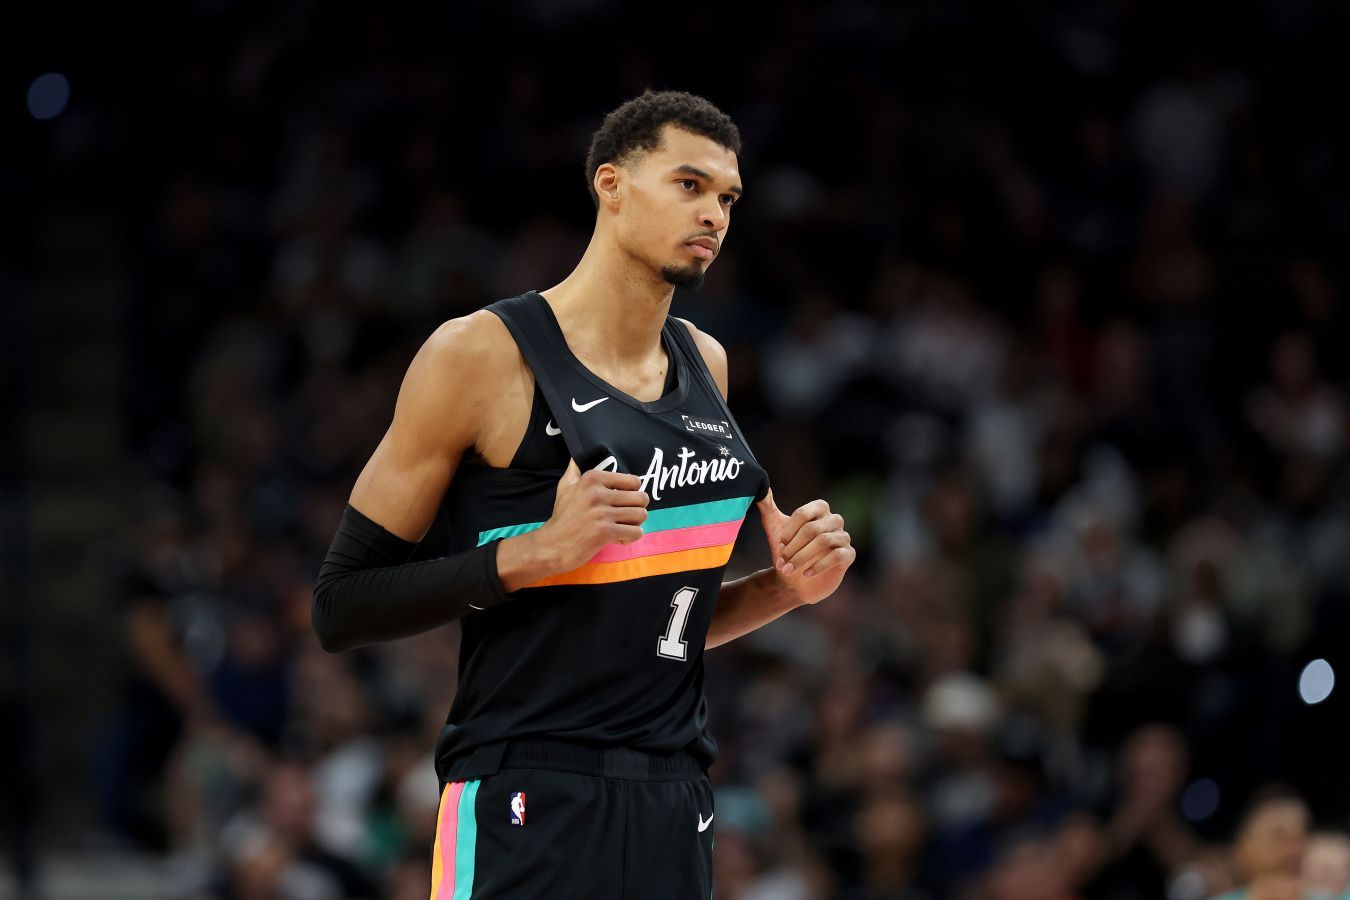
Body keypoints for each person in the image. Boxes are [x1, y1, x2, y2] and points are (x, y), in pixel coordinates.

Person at [311, 90, 855, 899]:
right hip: (525, 792)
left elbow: (658, 624)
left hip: (674, 797)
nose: (713, 214)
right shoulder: (480, 355)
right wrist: (533, 554)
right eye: (689, 184)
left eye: (728, 198)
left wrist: (786, 590)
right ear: (611, 184)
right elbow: (341, 606)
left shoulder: (706, 362)